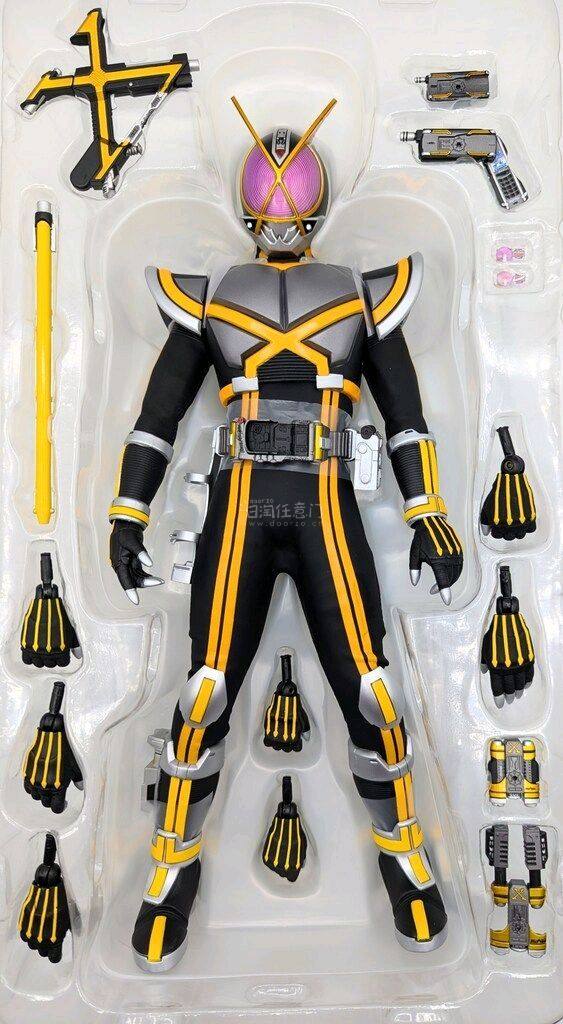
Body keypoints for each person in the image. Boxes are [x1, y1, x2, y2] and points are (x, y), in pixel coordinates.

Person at [109, 97, 463, 971]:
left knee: (373, 695)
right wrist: (127, 513)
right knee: (203, 695)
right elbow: (157, 418)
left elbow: (405, 418)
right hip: (240, 501)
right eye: (269, 191)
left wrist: (426, 510)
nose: (278, 205)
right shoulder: (210, 300)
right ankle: (170, 868)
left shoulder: (360, 295)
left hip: (322, 502)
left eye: (291, 188)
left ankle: (403, 854)